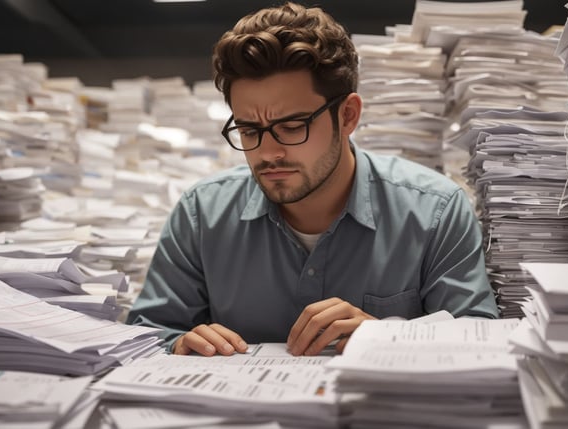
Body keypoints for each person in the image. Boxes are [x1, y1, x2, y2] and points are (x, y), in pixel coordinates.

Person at [127, 2, 498, 357]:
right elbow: (145, 333)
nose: (268, 152)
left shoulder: (435, 211)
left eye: (292, 126)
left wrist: (391, 336)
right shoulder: (202, 214)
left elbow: (480, 340)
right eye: (249, 130)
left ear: (348, 116)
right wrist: (177, 343)